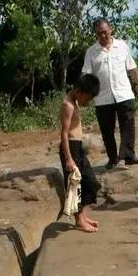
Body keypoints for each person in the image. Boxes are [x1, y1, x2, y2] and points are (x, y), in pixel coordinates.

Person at [82, 17, 138, 170]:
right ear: (95, 35)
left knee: (128, 125)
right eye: (99, 34)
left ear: (110, 30)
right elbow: (86, 74)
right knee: (107, 130)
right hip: (102, 98)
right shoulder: (91, 52)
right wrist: (85, 95)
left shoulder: (122, 46)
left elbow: (131, 67)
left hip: (124, 93)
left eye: (104, 32)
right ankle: (113, 159)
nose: (103, 36)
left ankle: (127, 156)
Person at [59, 74, 102, 233]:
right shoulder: (67, 105)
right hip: (70, 149)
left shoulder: (74, 101)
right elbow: (64, 133)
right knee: (74, 185)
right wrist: (69, 158)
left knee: (91, 182)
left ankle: (83, 216)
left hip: (78, 148)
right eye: (88, 98)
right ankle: (79, 221)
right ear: (79, 91)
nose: (87, 102)